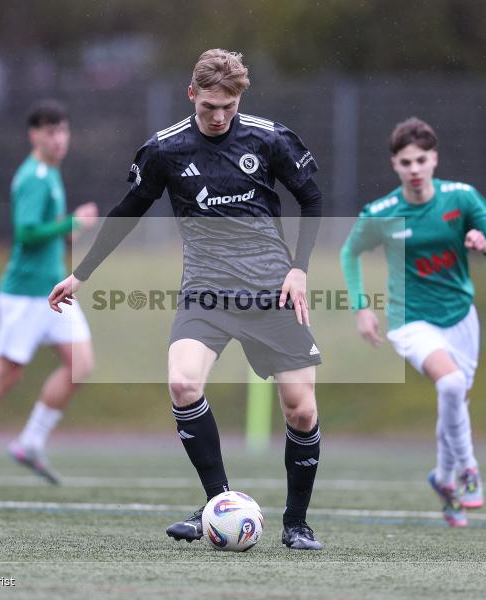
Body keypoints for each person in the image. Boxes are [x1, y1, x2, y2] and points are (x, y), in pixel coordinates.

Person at [48, 50, 325, 550]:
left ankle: (297, 523)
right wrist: (80, 274)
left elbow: (312, 197)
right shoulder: (165, 150)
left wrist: (300, 269)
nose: (219, 116)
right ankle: (217, 503)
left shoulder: (268, 137)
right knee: (182, 382)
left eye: (230, 105)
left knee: (301, 411)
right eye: (210, 106)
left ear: (240, 98)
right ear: (192, 94)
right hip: (206, 292)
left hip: (270, 290)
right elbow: (128, 210)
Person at [340, 117, 486, 527]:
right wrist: (361, 307)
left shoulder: (462, 198)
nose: (414, 169)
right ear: (395, 166)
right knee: (451, 384)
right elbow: (350, 253)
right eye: (406, 162)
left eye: (421, 159)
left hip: (460, 316)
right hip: (409, 320)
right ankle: (469, 471)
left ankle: (444, 479)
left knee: (455, 400)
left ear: (434, 159)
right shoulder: (382, 212)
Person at [0, 99, 98, 486]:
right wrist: (70, 223)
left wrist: (69, 229)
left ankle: (30, 442)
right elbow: (25, 231)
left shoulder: (50, 174)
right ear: (35, 135)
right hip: (24, 294)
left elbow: (47, 230)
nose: (58, 139)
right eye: (50, 132)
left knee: (81, 365)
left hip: (52, 290)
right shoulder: (33, 177)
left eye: (63, 131)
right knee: (7, 374)